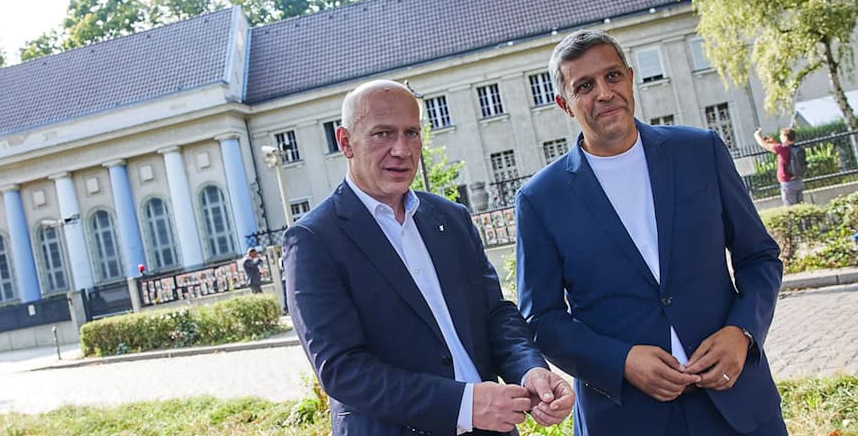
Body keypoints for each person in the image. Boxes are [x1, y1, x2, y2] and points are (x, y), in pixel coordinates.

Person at [515, 30, 786, 435]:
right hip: (625, 416)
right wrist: (621, 361)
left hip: (737, 406)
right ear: (564, 105)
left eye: (612, 77)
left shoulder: (701, 151)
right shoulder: (540, 199)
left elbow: (758, 258)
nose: (604, 93)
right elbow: (542, 318)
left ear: (629, 77)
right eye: (584, 86)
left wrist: (743, 331)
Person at [284, 80, 573, 435]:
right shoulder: (314, 239)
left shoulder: (450, 218)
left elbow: (495, 315)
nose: (402, 149)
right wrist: (464, 405)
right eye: (382, 134)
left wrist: (530, 370)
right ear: (345, 142)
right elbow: (343, 370)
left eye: (412, 133)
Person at [754, 127, 804, 206]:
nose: (780, 137)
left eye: (781, 135)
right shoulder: (796, 148)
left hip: (788, 183)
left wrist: (757, 135)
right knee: (801, 206)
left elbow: (764, 145)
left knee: (790, 209)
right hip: (798, 181)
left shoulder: (782, 148)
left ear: (785, 137)